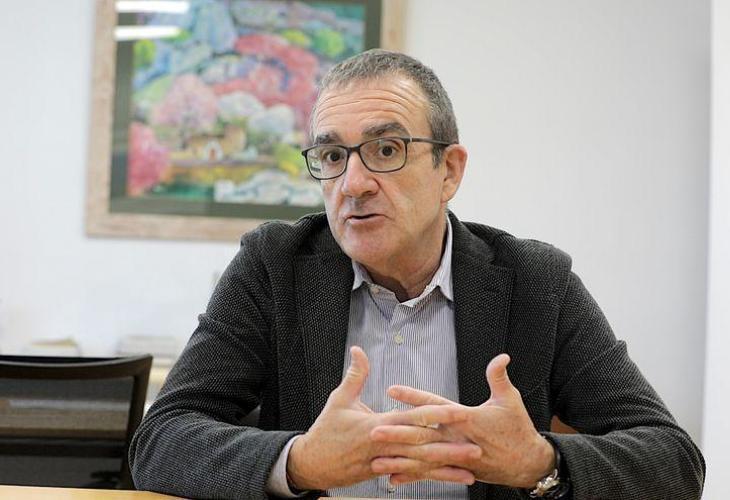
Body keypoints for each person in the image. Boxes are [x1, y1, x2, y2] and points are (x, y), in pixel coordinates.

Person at [128, 50, 705, 500]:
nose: (353, 184)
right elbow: (160, 440)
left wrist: (539, 463)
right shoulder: (275, 266)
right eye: (332, 157)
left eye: (386, 150)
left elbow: (675, 462)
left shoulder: (535, 281)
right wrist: (300, 462)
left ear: (448, 170)